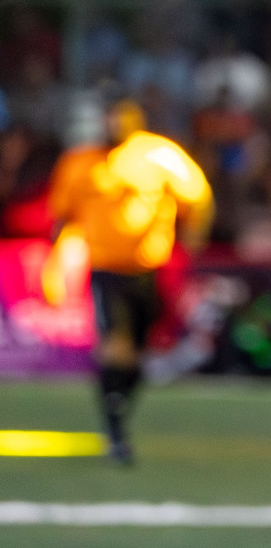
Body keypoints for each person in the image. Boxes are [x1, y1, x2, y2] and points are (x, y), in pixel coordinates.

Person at [48, 99, 213, 464]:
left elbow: (198, 197)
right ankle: (114, 431)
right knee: (114, 346)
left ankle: (119, 411)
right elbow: (63, 218)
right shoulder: (80, 162)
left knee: (138, 354)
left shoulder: (160, 155)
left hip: (148, 270)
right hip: (105, 269)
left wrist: (193, 237)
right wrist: (58, 261)